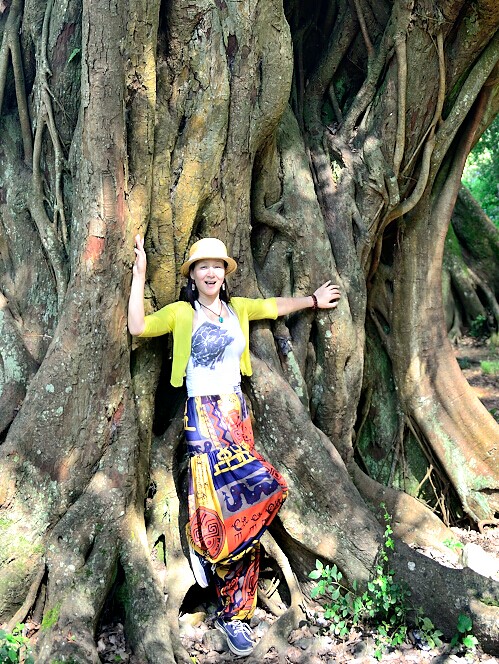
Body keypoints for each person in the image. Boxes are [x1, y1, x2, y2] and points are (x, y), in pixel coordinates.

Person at [128, 235, 341, 656]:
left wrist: (312, 301)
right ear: (192, 275)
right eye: (202, 267)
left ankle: (218, 572)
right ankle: (230, 609)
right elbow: (138, 327)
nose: (210, 273)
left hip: (235, 413)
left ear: (225, 274)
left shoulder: (237, 309)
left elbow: (272, 306)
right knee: (220, 507)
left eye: (217, 266)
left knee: (261, 493)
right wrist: (139, 275)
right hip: (202, 416)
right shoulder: (182, 313)